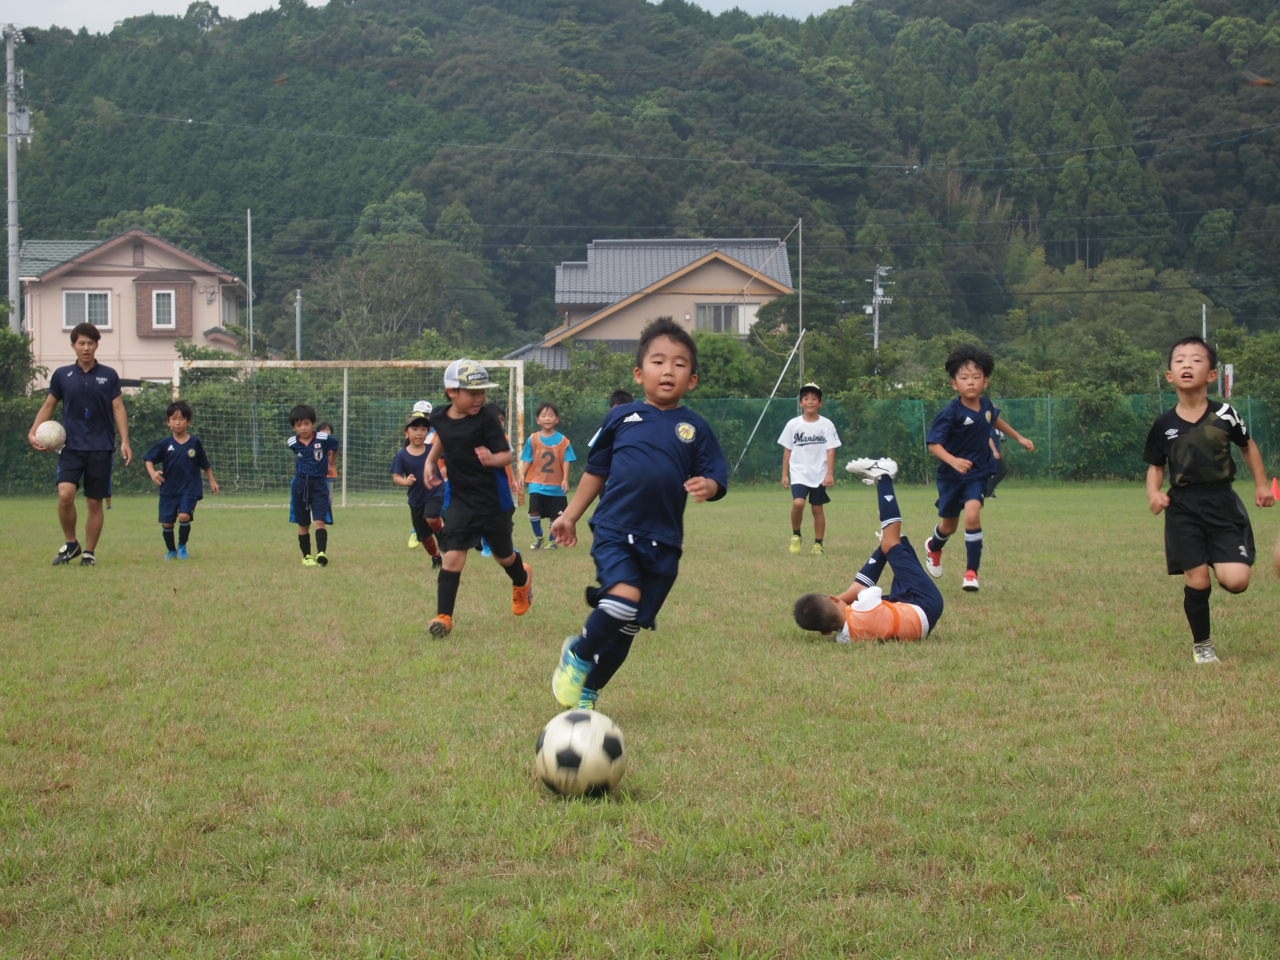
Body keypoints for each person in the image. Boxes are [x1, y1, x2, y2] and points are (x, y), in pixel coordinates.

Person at [550, 317, 730, 711]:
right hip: (616, 529)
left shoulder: (695, 428)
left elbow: (717, 472)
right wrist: (570, 515)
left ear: (693, 379)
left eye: (679, 364)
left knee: (629, 626)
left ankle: (588, 691)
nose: (668, 370)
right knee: (622, 601)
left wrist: (710, 486)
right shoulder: (621, 417)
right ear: (639, 372)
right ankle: (578, 655)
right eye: (659, 361)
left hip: (664, 542)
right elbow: (596, 471)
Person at [1143, 335, 1274, 664]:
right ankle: (1202, 644)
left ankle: (1219, 554)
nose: (1188, 364)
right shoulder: (1164, 425)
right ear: (1170, 375)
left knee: (1237, 581)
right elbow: (1156, 467)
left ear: (1212, 375)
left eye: (1197, 359)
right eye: (1180, 360)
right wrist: (1154, 493)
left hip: (1222, 504)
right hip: (1183, 508)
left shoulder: (1226, 414)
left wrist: (1261, 485)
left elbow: (1248, 446)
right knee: (1197, 578)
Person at [421, 360, 533, 638]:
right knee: (452, 556)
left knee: (503, 556)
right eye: (472, 392)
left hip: (494, 502)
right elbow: (444, 438)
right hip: (460, 500)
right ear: (452, 392)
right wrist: (430, 462)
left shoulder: (487, 420)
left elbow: (507, 455)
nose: (479, 397)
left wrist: (492, 458)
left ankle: (523, 580)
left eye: (482, 391)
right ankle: (444, 617)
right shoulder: (440, 418)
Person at [793, 457, 944, 642]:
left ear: (826, 632)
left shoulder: (845, 639)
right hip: (926, 602)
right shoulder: (865, 604)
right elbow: (864, 588)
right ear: (832, 598)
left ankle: (896, 537)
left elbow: (853, 596)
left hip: (912, 615)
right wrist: (886, 545)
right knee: (891, 545)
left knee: (899, 557)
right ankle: (883, 476)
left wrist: (832, 605)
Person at [922, 344, 1034, 592]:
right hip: (951, 477)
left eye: (976, 377)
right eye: (964, 378)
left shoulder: (985, 405)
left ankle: (971, 572)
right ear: (955, 384)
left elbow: (995, 419)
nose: (970, 382)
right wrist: (953, 460)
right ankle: (934, 546)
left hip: (978, 473)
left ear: (985, 382)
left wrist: (1020, 438)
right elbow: (933, 444)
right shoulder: (951, 412)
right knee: (948, 526)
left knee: (972, 514)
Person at [27, 322, 133, 567]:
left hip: (101, 447)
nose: (86, 348)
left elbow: (118, 408)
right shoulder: (63, 376)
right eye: (81, 343)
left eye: (91, 343)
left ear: (97, 345)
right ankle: (72, 543)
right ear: (73, 345)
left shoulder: (109, 375)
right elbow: (49, 406)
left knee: (94, 501)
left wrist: (125, 441)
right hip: (71, 447)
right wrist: (33, 433)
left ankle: (89, 552)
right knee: (65, 495)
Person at [142, 400, 220, 559]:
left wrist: (212, 481)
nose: (177, 422)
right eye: (174, 419)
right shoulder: (165, 444)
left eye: (181, 419)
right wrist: (152, 473)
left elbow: (205, 464)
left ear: (188, 422)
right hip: (168, 489)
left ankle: (182, 546)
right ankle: (171, 551)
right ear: (168, 422)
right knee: (167, 523)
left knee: (184, 516)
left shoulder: (195, 442)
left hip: (189, 488)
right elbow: (149, 459)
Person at [778, 382, 842, 556]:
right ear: (801, 403)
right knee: (798, 503)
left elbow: (831, 449)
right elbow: (788, 450)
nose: (810, 402)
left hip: (819, 473)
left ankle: (818, 544)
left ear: (820, 403)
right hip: (799, 472)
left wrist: (829, 473)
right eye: (806, 398)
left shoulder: (827, 424)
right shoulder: (793, 424)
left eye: (814, 399)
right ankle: (796, 535)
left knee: (817, 509)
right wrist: (785, 474)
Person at [286, 404, 340, 567]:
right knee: (303, 524)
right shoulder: (292, 442)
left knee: (319, 521)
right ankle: (307, 556)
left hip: (319, 484)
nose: (303, 428)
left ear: (313, 423)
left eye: (306, 424)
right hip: (300, 485)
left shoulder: (323, 438)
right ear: (294, 427)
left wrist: (331, 463)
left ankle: (321, 553)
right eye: (299, 425)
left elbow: (336, 445)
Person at [392, 405, 444, 569]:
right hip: (416, 499)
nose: (419, 432)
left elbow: (452, 452)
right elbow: (396, 476)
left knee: (431, 516)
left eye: (423, 429)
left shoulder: (433, 450)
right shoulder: (402, 455)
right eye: (415, 429)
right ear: (406, 432)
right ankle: (436, 557)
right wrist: (405, 481)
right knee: (424, 537)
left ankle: (442, 535)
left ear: (428, 432)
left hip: (435, 492)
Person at [521, 401, 576, 549]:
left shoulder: (563, 441)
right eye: (543, 415)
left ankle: (553, 541)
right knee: (533, 509)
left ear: (557, 419)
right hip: (536, 484)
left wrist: (565, 479)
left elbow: (567, 460)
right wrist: (521, 474)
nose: (547, 418)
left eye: (551, 415)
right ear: (538, 420)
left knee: (555, 515)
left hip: (556, 486)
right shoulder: (532, 439)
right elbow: (527, 458)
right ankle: (539, 538)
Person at [318, 421, 340, 501]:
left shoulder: (333, 444)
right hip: (317, 474)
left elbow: (333, 458)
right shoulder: (316, 444)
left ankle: (327, 510)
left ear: (331, 432)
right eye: (323, 430)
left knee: (328, 496)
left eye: (327, 430)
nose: (325, 432)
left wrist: (330, 465)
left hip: (328, 474)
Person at [984, 428, 1008, 499]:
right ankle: (988, 492)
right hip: (990, 453)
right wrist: (994, 451)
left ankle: (989, 491)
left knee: (995, 472)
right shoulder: (990, 425)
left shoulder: (998, 429)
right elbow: (989, 439)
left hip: (993, 453)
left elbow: (1002, 439)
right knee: (1002, 470)